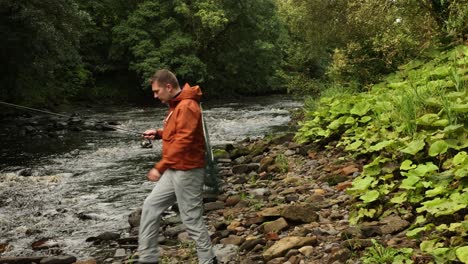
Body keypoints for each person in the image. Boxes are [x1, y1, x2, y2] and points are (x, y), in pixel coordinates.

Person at [138, 69, 217, 264]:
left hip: (188, 170)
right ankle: (148, 259)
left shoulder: (188, 106)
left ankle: (209, 260)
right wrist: (157, 133)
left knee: (191, 219)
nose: (155, 96)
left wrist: (160, 166)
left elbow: (183, 141)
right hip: (175, 169)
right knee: (150, 206)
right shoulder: (176, 105)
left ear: (168, 86)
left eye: (157, 91)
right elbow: (175, 132)